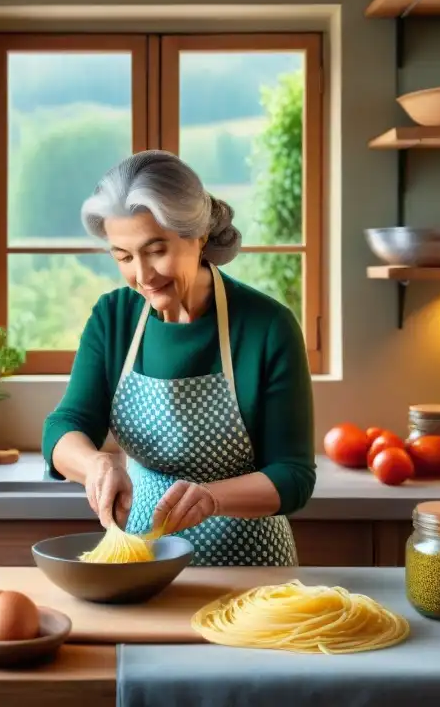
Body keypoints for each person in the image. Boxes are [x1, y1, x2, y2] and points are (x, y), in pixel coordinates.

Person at [41, 150, 316, 567]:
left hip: (250, 566)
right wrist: (94, 464)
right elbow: (65, 425)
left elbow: (293, 475)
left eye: (155, 250)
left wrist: (212, 499)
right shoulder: (113, 318)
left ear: (199, 236)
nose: (144, 275)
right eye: (123, 257)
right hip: (141, 559)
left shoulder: (267, 326)